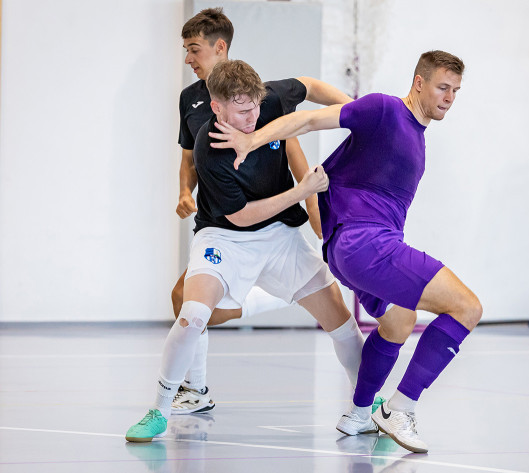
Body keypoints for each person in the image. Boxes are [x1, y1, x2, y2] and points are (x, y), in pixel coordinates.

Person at [210, 50, 482, 454]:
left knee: (399, 319)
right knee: (467, 307)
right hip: (364, 243)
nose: (449, 97)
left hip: (350, 249)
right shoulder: (385, 110)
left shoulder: (417, 139)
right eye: (442, 87)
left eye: (456, 91)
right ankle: (399, 408)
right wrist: (252, 138)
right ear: (419, 82)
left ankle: (358, 414)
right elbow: (307, 118)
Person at [125, 59, 366, 442]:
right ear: (216, 106)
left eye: (255, 105)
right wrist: (300, 193)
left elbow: (311, 86)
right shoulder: (209, 147)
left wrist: (360, 112)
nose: (253, 115)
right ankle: (160, 409)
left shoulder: (268, 100)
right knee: (191, 315)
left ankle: (367, 405)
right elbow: (241, 216)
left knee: (343, 325)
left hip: (281, 237)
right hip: (225, 237)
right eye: (241, 109)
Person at [168, 7, 346, 415]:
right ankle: (195, 388)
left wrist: (311, 201)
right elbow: (189, 159)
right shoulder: (190, 99)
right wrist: (183, 191)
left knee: (191, 302)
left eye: (194, 49)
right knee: (184, 300)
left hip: (271, 223)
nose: (188, 59)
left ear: (220, 47)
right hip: (224, 225)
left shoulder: (252, 94)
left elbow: (293, 142)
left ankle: (264, 301)